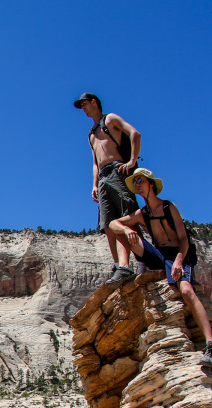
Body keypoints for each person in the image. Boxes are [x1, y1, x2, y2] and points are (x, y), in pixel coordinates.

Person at [109, 168, 212, 368]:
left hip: (178, 254)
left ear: (151, 183)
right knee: (122, 233)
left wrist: (178, 261)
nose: (137, 186)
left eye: (140, 181)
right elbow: (113, 224)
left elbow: (184, 240)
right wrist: (127, 228)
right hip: (159, 255)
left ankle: (211, 345)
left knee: (186, 290)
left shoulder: (169, 208)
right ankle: (123, 268)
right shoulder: (142, 214)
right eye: (135, 183)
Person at [74, 92, 142, 283]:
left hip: (118, 171)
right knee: (108, 224)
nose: (83, 109)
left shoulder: (110, 119)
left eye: (85, 104)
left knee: (125, 217)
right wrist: (94, 184)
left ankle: (129, 264)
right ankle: (118, 265)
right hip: (103, 177)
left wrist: (132, 161)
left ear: (94, 102)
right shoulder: (91, 133)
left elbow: (134, 133)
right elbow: (95, 162)